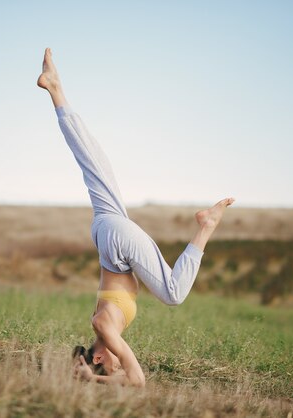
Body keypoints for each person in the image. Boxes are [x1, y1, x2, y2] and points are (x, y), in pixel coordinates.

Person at [37, 48, 234, 387]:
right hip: (109, 238)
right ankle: (56, 91)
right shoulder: (100, 323)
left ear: (98, 357)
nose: (119, 364)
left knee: (174, 294)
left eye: (110, 366)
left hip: (115, 244)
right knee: (93, 162)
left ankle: (206, 227)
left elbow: (137, 381)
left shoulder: (103, 327)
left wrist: (93, 379)